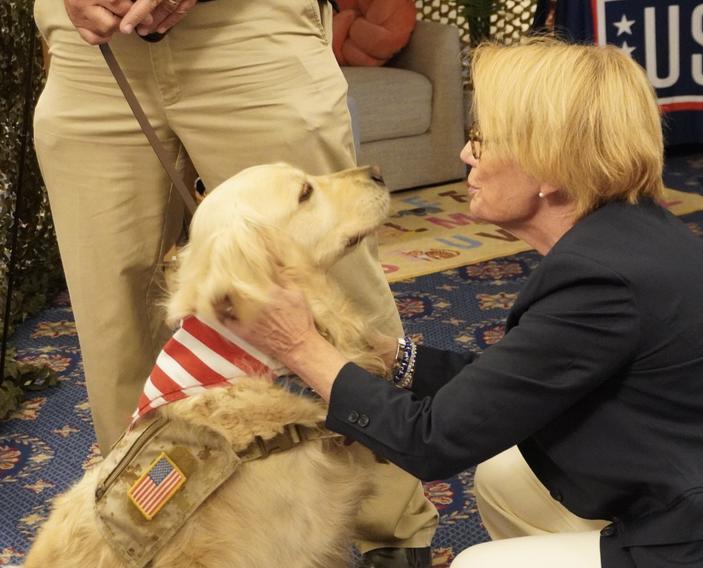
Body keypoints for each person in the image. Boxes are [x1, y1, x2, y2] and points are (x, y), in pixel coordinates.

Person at [224, 39, 703, 568]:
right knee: (503, 470)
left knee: (479, 565)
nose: (465, 152)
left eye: (485, 137)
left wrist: (298, 347)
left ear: (550, 167)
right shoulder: (619, 237)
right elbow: (517, 388)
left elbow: (431, 444)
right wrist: (391, 358)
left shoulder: (602, 280)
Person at [31, 0, 437, 565]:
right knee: (114, 325)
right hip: (89, 53)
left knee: (339, 299)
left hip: (247, 30)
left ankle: (390, 539)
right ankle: (161, 544)